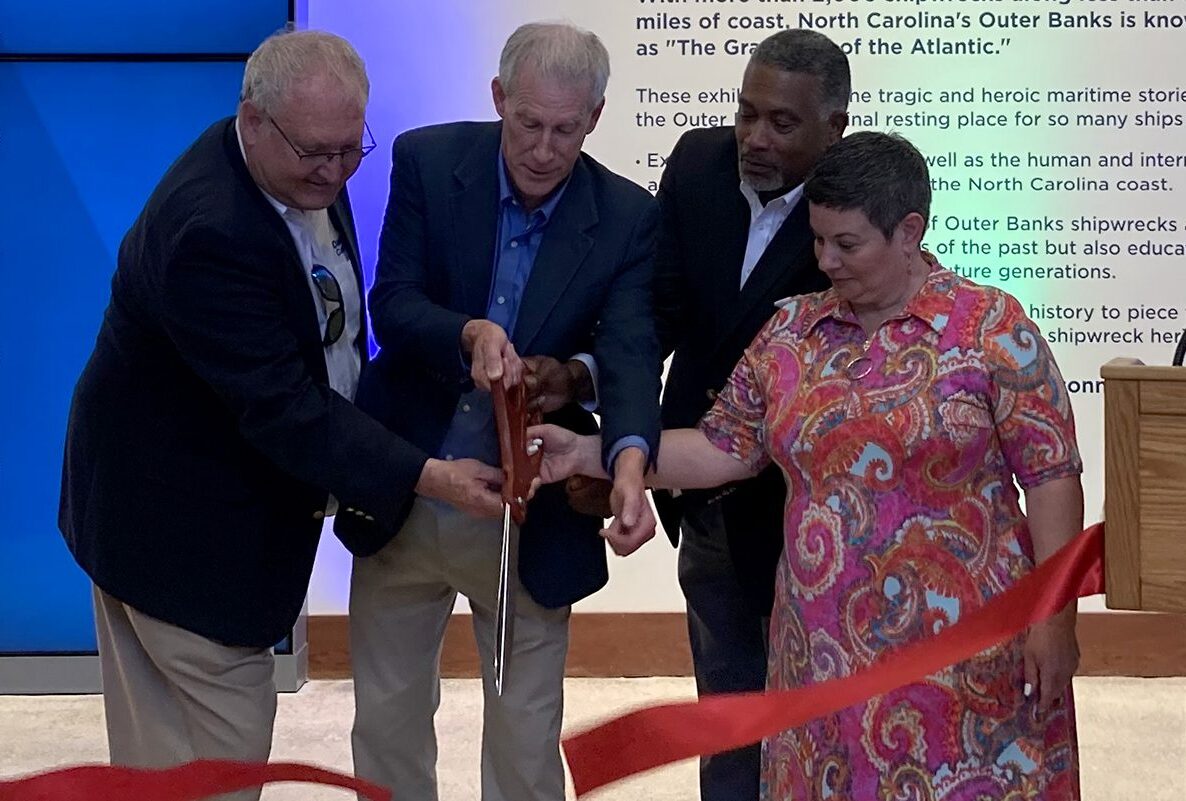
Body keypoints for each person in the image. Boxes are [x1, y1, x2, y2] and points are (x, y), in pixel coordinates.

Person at [534, 132, 1084, 800]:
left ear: (909, 231)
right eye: (818, 239)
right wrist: (594, 450)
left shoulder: (994, 330)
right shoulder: (792, 333)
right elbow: (722, 448)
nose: (825, 260)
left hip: (968, 660)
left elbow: (1051, 474)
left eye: (846, 244)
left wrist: (1053, 619)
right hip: (820, 658)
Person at [57, 30, 502, 800]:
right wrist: (430, 475)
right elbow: (287, 411)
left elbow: (331, 329)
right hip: (177, 536)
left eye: (348, 150)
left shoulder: (282, 166)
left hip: (176, 509)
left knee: (162, 763)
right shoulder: (212, 232)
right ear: (253, 120)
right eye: (314, 153)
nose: (334, 173)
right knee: (218, 764)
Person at [344, 21, 662, 801]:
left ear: (595, 118)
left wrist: (628, 467)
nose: (545, 148)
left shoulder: (625, 214)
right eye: (528, 124)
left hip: (532, 503)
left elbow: (626, 353)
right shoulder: (427, 160)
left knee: (525, 735)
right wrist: (469, 332)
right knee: (387, 719)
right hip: (412, 482)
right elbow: (393, 303)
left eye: (566, 129)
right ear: (498, 98)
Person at [651, 28, 848, 801]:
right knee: (731, 714)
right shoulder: (698, 165)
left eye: (781, 123)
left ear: (833, 130)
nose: (753, 138)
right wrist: (613, 414)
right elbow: (660, 311)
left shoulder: (855, 202)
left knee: (822, 722)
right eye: (746, 112)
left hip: (818, 511)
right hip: (711, 501)